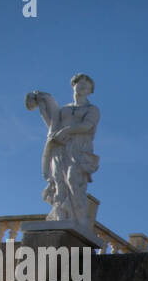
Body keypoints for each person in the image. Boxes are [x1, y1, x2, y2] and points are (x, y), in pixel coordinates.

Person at [25, 74, 100, 225]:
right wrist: (43, 103)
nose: (83, 86)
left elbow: (87, 126)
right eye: (80, 83)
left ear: (91, 91)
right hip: (61, 149)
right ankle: (61, 216)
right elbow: (53, 126)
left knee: (73, 179)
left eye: (87, 85)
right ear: (73, 85)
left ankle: (79, 219)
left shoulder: (92, 109)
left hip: (79, 149)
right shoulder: (64, 110)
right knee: (59, 182)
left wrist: (66, 131)